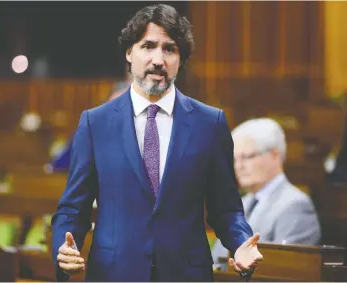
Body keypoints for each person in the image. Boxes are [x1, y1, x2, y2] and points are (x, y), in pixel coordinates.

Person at [51, 4, 263, 282]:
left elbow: (226, 208)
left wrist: (240, 243)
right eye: (148, 46)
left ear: (180, 59)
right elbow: (72, 209)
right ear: (129, 52)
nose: (158, 59)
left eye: (169, 49)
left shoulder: (210, 124)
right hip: (113, 274)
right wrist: (64, 249)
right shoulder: (95, 124)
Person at [211, 118, 321, 270]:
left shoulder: (295, 205)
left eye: (247, 157)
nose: (239, 166)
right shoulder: (240, 203)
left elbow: (284, 272)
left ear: (275, 155)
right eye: (234, 159)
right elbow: (216, 262)